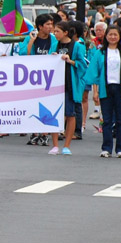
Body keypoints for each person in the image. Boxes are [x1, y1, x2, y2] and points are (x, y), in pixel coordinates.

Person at [85, 25, 121, 158]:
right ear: (106, 36)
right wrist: (95, 91)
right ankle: (106, 148)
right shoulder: (100, 52)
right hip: (106, 88)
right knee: (106, 120)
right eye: (110, 34)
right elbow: (94, 72)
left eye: (115, 34)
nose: (113, 37)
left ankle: (120, 149)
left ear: (119, 36)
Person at [47, 22, 87, 155]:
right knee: (54, 114)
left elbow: (83, 65)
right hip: (55, 84)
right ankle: (54, 144)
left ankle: (67, 145)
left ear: (65, 32)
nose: (54, 34)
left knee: (70, 114)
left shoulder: (77, 46)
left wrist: (71, 61)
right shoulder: (54, 45)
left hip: (70, 84)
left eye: (57, 31)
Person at [18, 14, 58, 145]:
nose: (50, 27)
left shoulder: (54, 40)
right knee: (34, 104)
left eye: (51, 24)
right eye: (47, 24)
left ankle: (45, 133)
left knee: (48, 105)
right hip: (33, 77)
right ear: (40, 26)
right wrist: (31, 41)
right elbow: (24, 55)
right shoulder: (29, 38)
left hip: (49, 77)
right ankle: (35, 133)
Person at [88, 22, 108, 121]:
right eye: (96, 30)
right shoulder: (93, 42)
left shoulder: (109, 41)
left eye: (100, 30)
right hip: (96, 66)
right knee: (95, 88)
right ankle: (96, 109)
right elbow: (91, 54)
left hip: (106, 67)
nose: (98, 32)